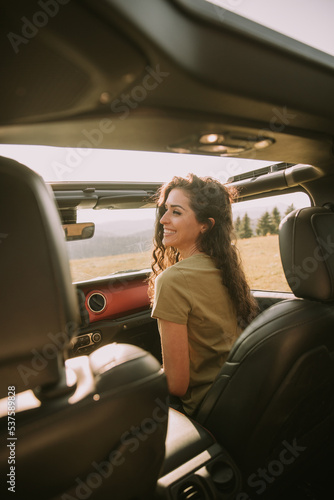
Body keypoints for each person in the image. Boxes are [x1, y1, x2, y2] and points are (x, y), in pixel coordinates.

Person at [148, 174, 258, 416]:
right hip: (238, 393)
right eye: (165, 210)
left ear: (205, 225)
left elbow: (176, 384)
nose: (163, 220)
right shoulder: (226, 268)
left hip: (204, 408)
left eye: (176, 212)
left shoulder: (172, 280)